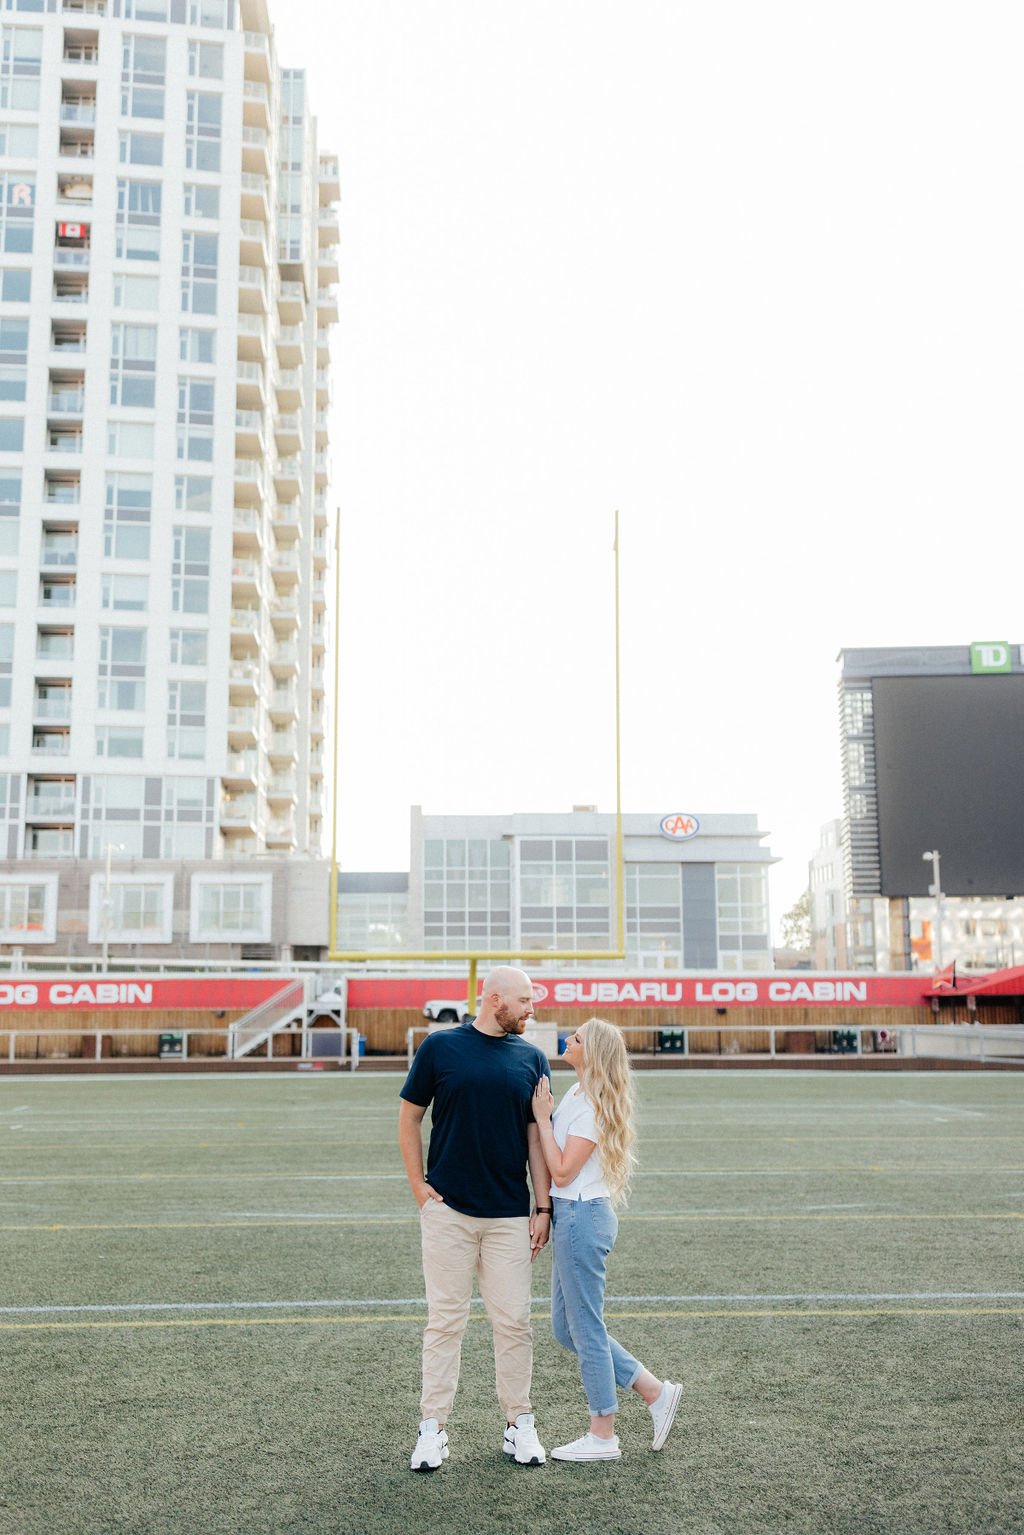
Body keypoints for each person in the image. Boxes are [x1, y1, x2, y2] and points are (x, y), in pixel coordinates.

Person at [398, 965, 553, 1473]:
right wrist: (419, 1187)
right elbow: (410, 1115)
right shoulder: (440, 1048)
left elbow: (536, 1138)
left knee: (515, 1323)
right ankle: (432, 1429)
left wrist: (543, 1206)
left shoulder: (532, 1057)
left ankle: (519, 1423)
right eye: (526, 1000)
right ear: (494, 999)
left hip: (509, 1215)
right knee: (445, 1322)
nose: (533, 1009)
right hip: (449, 1213)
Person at [532, 1016, 682, 1462]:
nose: (567, 1040)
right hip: (569, 1216)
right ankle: (655, 1392)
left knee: (587, 1328)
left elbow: (562, 1170)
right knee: (566, 1328)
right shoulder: (577, 1093)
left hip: (581, 1217)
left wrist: (542, 1118)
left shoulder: (593, 1104)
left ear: (591, 1052)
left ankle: (603, 1435)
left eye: (576, 1038)